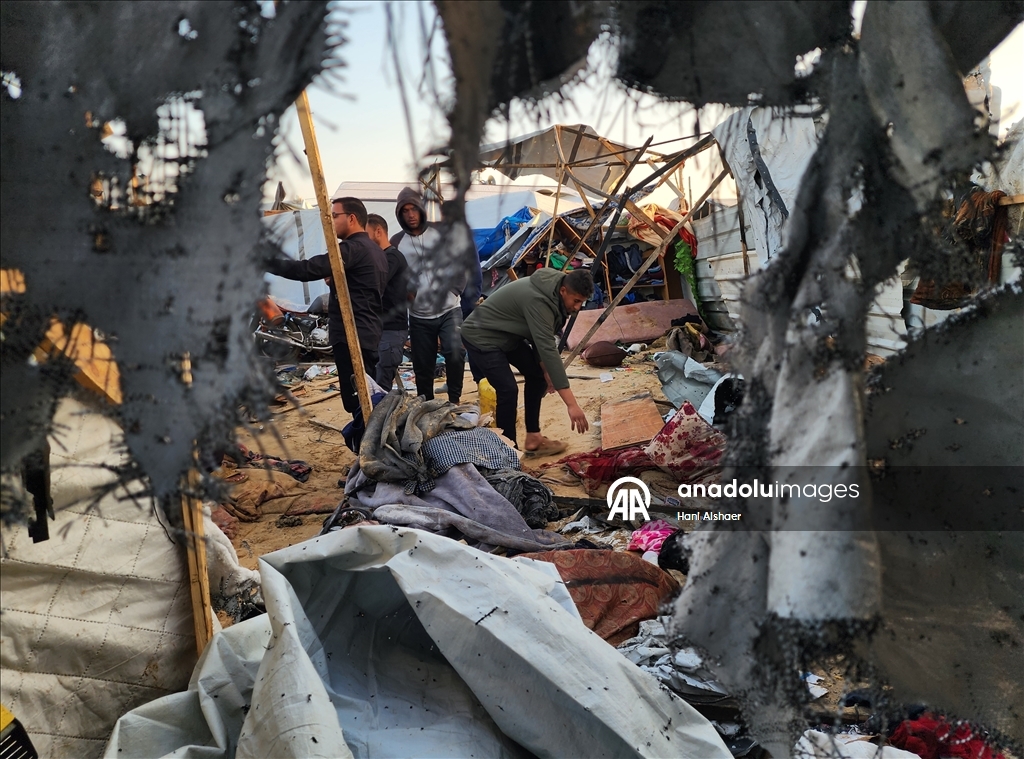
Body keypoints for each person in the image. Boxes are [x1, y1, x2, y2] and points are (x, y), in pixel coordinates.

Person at [266, 197, 388, 415]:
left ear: (352, 218)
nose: (330, 222)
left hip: (353, 335)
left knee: (358, 401)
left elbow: (307, 269)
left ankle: (367, 444)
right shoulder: (374, 250)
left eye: (334, 216)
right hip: (369, 331)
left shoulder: (352, 248)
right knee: (365, 396)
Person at [461, 267, 593, 453]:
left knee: (538, 375)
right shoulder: (539, 301)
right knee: (508, 389)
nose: (578, 307)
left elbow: (539, 336)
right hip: (481, 335)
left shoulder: (555, 290)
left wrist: (545, 370)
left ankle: (534, 438)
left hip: (507, 334)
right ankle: (509, 451)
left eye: (582, 302)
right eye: (576, 301)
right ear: (564, 290)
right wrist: (572, 405)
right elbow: (547, 348)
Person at [391, 187, 467, 403]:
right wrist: (405, 295)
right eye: (404, 211)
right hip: (419, 315)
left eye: (414, 209)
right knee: (422, 363)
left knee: (455, 352)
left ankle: (454, 400)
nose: (410, 215)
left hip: (449, 310)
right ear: (399, 215)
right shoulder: (396, 242)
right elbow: (392, 275)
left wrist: (454, 292)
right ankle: (426, 404)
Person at [365, 213, 409, 389]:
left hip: (392, 330)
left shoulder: (392, 258)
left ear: (378, 232)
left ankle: (381, 416)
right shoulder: (380, 258)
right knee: (374, 380)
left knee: (382, 383)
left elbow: (373, 282)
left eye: (365, 234)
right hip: (379, 330)